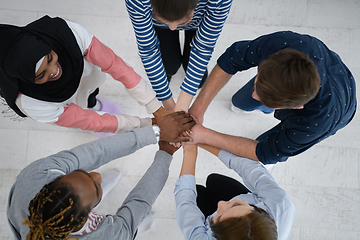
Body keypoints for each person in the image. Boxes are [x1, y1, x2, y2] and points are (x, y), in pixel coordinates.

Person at [7, 111, 195, 240]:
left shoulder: (34, 176)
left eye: (83, 173)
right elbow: (139, 203)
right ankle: (139, 227)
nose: (97, 175)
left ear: (54, 180)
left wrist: (156, 131)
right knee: (131, 225)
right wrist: (165, 154)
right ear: (85, 219)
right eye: (97, 188)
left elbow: (96, 152)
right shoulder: (109, 235)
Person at [189, 31, 357, 164]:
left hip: (339, 107)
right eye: (257, 84)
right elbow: (232, 59)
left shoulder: (314, 124)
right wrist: (199, 106)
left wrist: (205, 135)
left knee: (259, 153)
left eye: (265, 99)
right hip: (317, 67)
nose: (254, 95)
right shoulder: (285, 44)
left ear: (295, 107)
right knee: (240, 102)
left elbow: (265, 152)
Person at [0, 15, 171, 135]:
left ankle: (93, 101)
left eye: (50, 58)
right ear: (26, 79)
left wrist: (152, 104)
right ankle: (92, 105)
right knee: (85, 109)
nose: (54, 71)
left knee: (91, 89)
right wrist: (144, 125)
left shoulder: (66, 33)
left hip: (84, 74)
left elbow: (114, 65)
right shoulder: (31, 103)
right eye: (41, 74)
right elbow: (92, 121)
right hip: (61, 102)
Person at [125, 0, 232, 111]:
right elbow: (148, 51)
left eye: (179, 22)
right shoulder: (137, 1)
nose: (173, 27)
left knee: (195, 73)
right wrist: (167, 101)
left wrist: (183, 104)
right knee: (169, 66)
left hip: (198, 24)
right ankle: (168, 73)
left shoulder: (219, 1)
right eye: (163, 18)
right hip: (160, 27)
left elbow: (203, 49)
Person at [174, 144, 295, 240]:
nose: (221, 203)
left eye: (219, 217)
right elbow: (247, 166)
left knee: (198, 193)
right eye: (237, 204)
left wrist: (190, 152)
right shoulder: (280, 204)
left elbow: (185, 202)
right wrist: (200, 139)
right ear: (260, 211)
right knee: (214, 180)